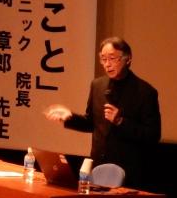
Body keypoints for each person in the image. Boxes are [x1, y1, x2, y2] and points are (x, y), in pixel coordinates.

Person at [45, 37, 161, 188]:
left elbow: (153, 135)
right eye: (103, 59)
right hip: (98, 168)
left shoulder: (145, 92)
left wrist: (120, 121)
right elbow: (91, 123)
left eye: (112, 58)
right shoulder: (98, 85)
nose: (107, 64)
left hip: (128, 173)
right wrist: (69, 117)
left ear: (128, 59)